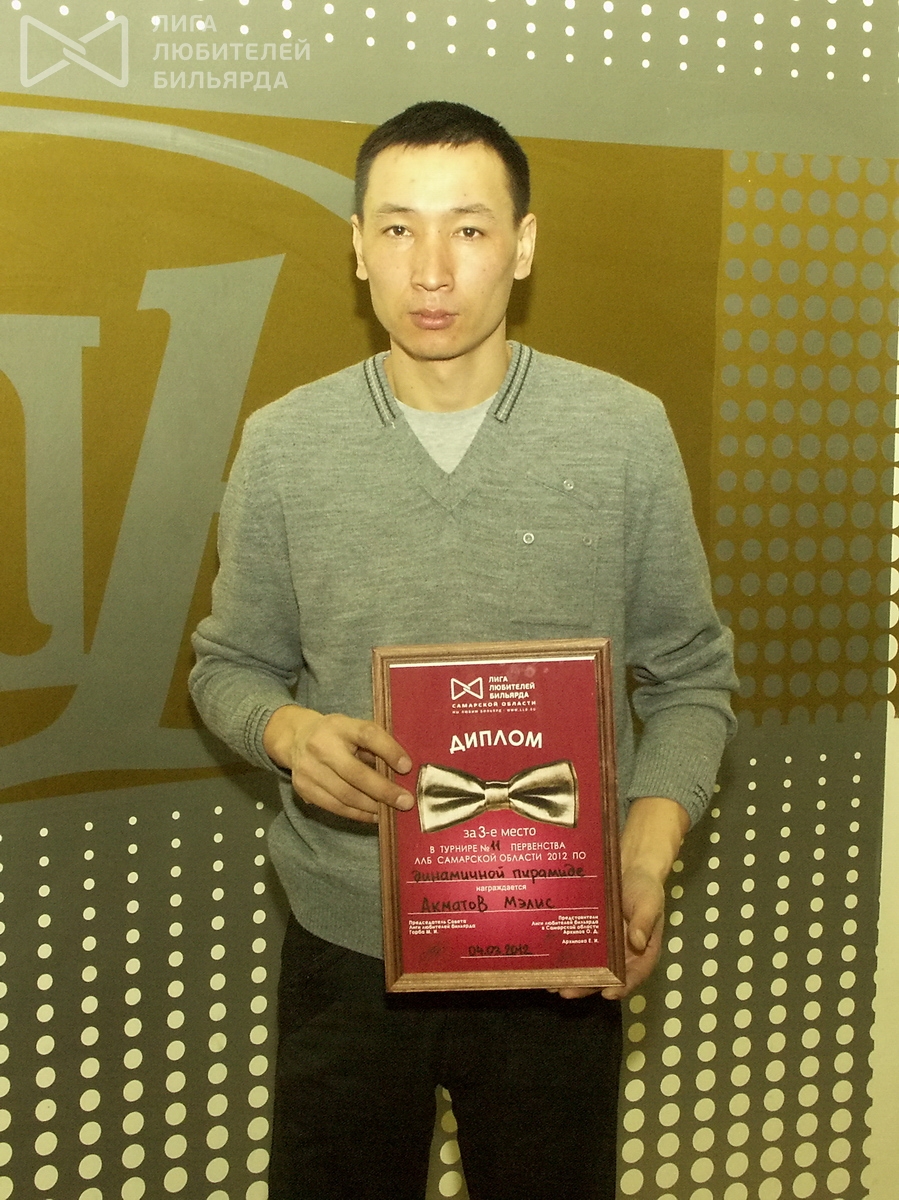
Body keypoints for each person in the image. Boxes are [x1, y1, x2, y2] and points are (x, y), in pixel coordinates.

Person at [190, 100, 736, 1200]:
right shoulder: (285, 445)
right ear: (357, 246)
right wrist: (287, 732)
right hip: (347, 953)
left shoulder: (622, 432)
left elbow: (690, 679)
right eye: (397, 229)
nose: (430, 269)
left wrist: (641, 855)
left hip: (559, 950)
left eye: (469, 228)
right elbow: (227, 666)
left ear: (523, 246)